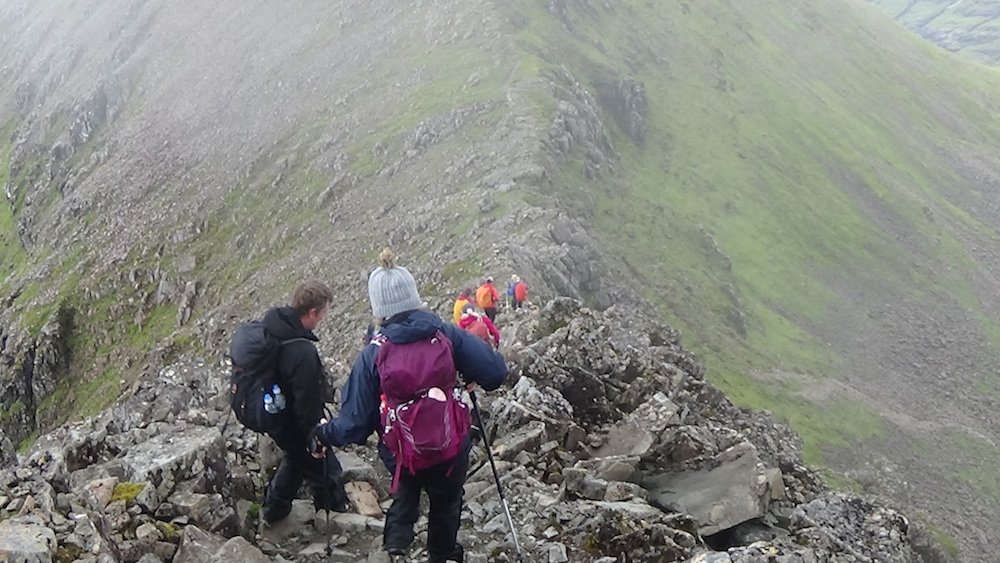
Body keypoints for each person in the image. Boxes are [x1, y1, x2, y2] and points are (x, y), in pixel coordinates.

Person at [314, 249, 506, 563]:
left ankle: (395, 550)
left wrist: (322, 435)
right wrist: (468, 373)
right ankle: (442, 555)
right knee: (446, 504)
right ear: (414, 296)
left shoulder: (373, 355)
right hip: (449, 445)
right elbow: (496, 373)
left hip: (402, 450)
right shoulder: (445, 333)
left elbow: (355, 424)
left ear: (379, 309)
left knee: (405, 490)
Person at [260, 281, 348, 523]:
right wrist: (316, 435)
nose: (324, 318)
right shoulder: (302, 351)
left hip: (274, 415)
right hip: (293, 423)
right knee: (325, 468)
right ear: (312, 313)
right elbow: (307, 404)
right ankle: (335, 517)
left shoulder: (273, 328)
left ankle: (274, 510)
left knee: (296, 459)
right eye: (324, 312)